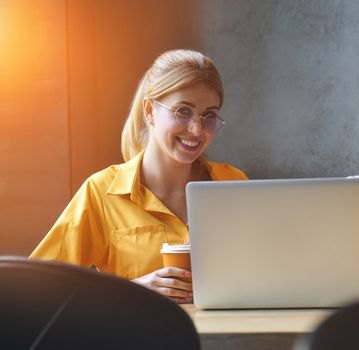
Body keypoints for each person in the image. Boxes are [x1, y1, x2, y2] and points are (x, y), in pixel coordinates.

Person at [30, 49, 247, 303]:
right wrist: (131, 290)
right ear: (150, 110)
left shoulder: (234, 183)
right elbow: (38, 288)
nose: (196, 129)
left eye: (209, 116)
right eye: (183, 111)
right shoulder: (101, 192)